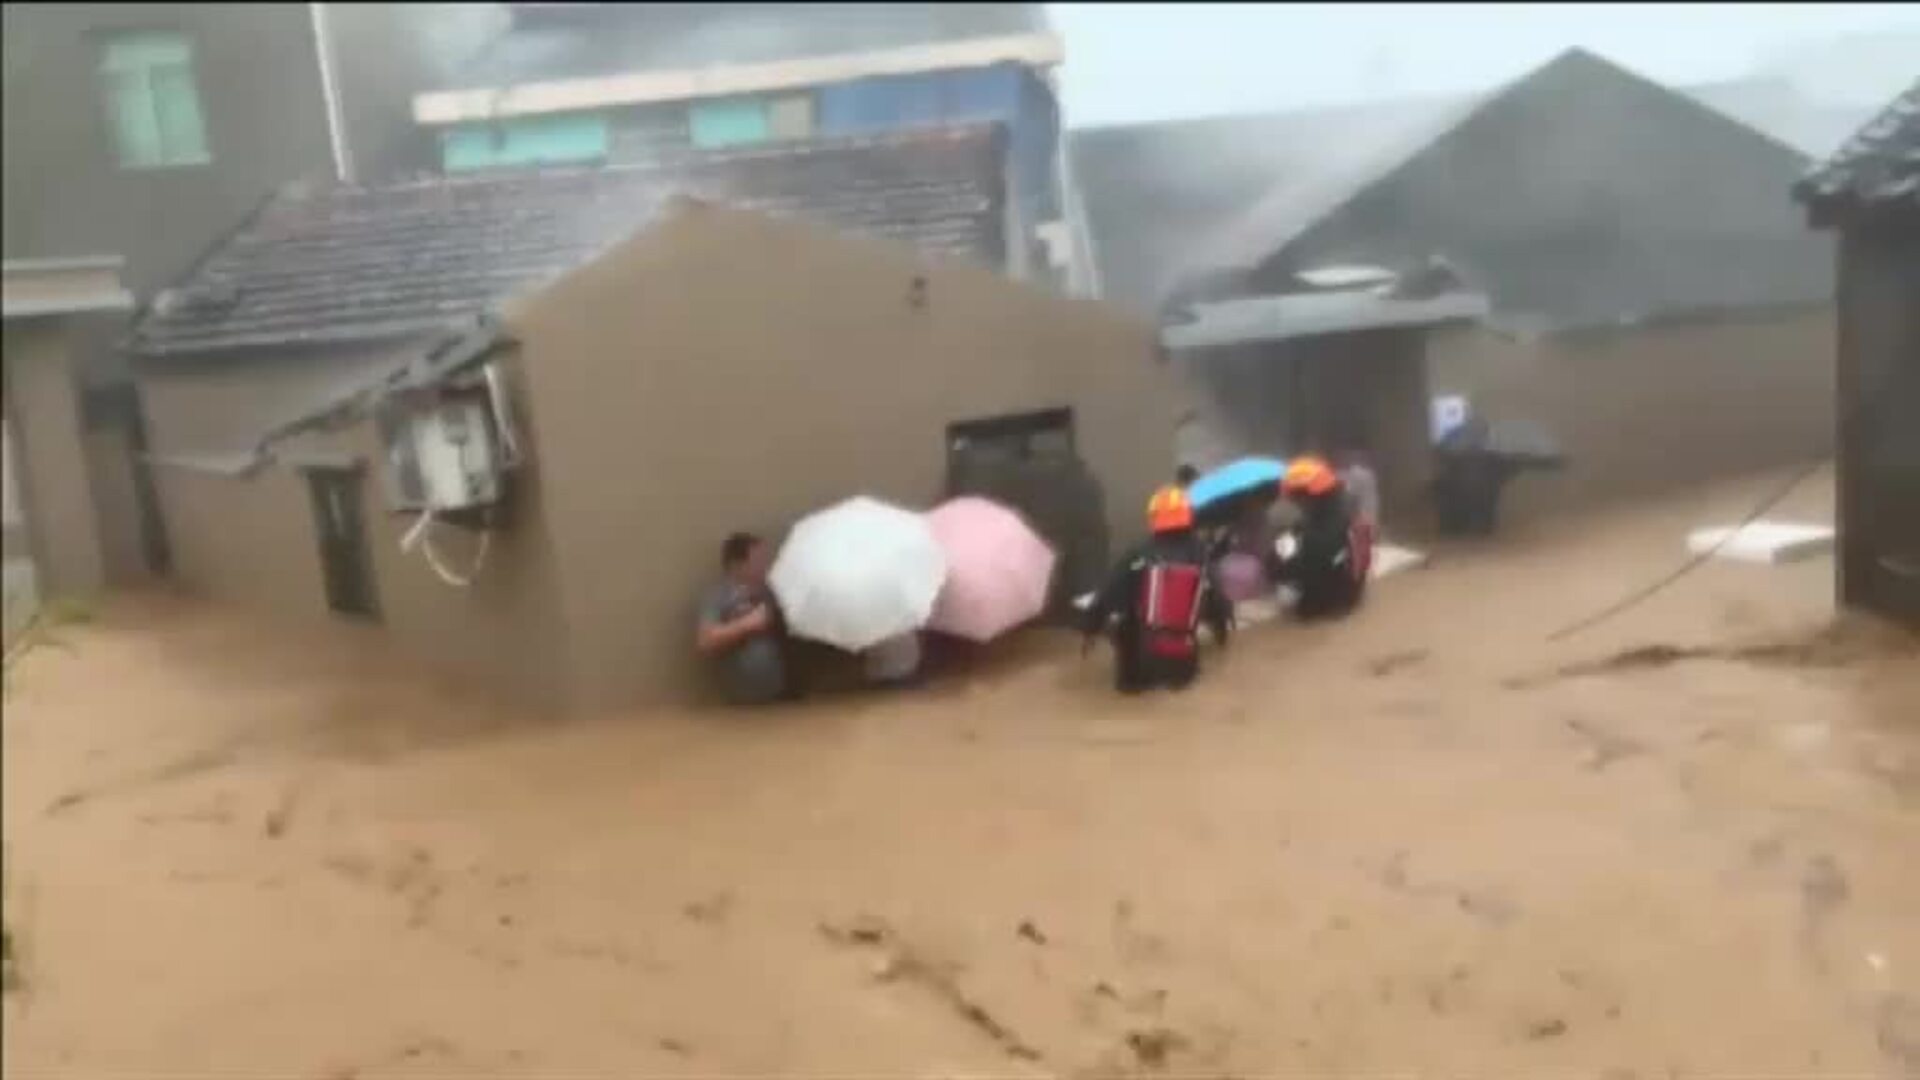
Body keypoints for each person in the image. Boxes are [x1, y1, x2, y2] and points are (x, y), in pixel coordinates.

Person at [1081, 486, 1233, 694]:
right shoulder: (1200, 554)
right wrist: (1222, 635)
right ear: (1188, 515)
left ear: (1153, 518)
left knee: (1122, 618)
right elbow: (1219, 602)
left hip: (1139, 669)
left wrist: (1089, 628)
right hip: (1184, 667)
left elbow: (1107, 596)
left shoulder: (1138, 552)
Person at [694, 532, 791, 705]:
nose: (766, 565)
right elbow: (706, 641)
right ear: (737, 565)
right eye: (758, 560)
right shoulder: (718, 596)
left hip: (780, 697)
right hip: (742, 704)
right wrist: (747, 624)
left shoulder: (771, 593)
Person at [1270, 456, 1372, 619]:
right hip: (1350, 583)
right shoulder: (1341, 503)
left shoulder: (1330, 521)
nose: (1297, 502)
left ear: (1311, 495)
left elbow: (1315, 561)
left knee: (1301, 611)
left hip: (1336, 591)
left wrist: (1284, 560)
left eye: (1299, 497)